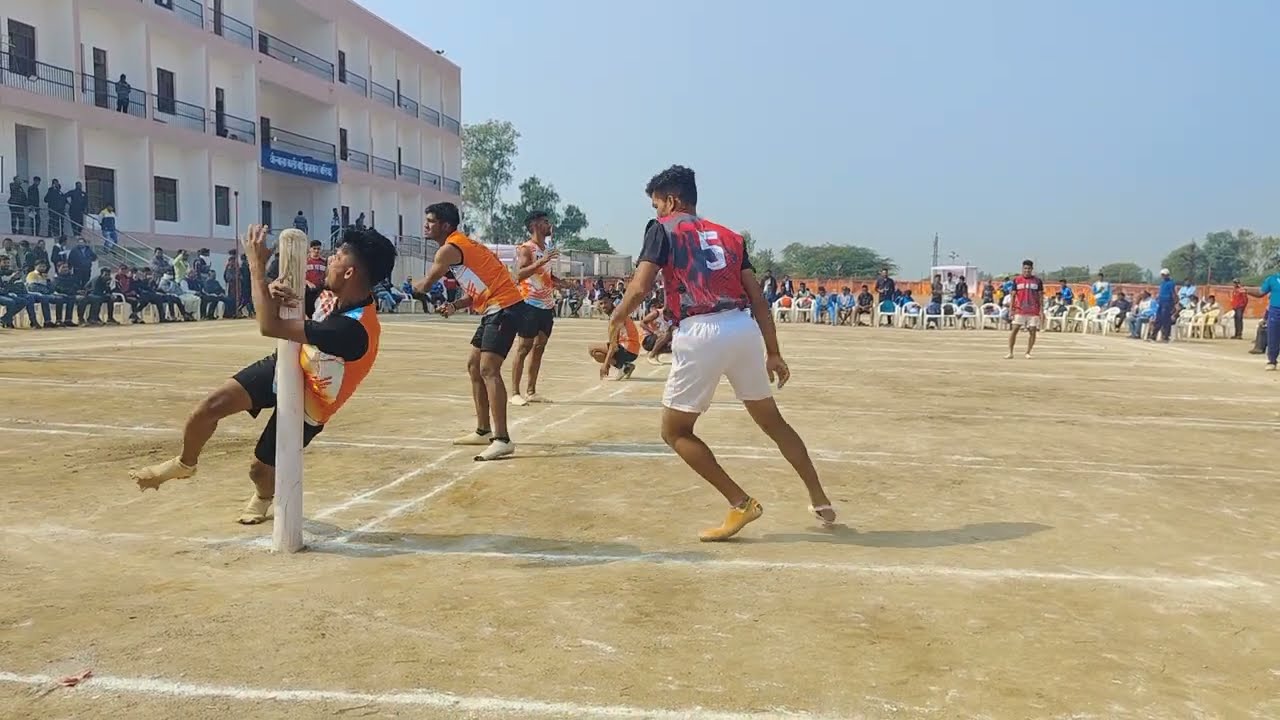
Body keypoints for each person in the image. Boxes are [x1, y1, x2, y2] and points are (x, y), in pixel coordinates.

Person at [609, 165, 835, 541]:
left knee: (675, 431)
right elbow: (758, 299)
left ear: (671, 201)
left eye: (656, 205)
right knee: (773, 423)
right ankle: (819, 497)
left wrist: (617, 319)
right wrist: (774, 352)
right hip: (742, 328)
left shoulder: (662, 229)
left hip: (700, 332)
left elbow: (640, 287)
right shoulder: (731, 237)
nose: (655, 213)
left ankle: (740, 503)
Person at [129, 225, 396, 524]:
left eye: (336, 257)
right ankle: (185, 463)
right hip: (291, 364)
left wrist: (255, 266)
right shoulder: (330, 295)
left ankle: (263, 497)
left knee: (259, 469)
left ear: (350, 272)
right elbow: (281, 306)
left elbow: (269, 326)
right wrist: (271, 288)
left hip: (313, 401)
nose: (328, 260)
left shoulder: (353, 329)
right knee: (209, 408)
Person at [413, 202, 529, 461]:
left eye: (430, 221)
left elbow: (426, 283)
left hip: (505, 308)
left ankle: (502, 439)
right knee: (474, 366)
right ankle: (484, 431)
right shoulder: (463, 246)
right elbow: (481, 288)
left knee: (489, 369)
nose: (426, 225)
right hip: (495, 307)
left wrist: (413, 286)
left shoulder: (449, 250)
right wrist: (455, 304)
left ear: (445, 225)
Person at [510, 210, 560, 405]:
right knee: (523, 348)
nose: (549, 225)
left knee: (539, 347)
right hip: (530, 303)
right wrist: (542, 260)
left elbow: (545, 275)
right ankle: (515, 392)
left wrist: (563, 283)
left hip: (547, 306)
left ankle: (531, 391)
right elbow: (519, 274)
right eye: (545, 222)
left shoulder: (546, 248)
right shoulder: (526, 248)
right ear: (535, 225)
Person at [590, 296, 639, 380]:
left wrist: (605, 365)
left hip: (627, 348)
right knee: (597, 354)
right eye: (601, 304)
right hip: (632, 350)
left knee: (592, 348)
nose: (603, 306)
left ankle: (621, 367)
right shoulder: (616, 313)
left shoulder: (615, 316)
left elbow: (613, 345)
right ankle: (626, 367)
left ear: (611, 302)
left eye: (606, 302)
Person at [1006, 259, 1043, 359]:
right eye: (1025, 268)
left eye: (1029, 269)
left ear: (1032, 269)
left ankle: (1028, 352)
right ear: (1022, 269)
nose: (1027, 270)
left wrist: (1041, 311)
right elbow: (1013, 296)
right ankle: (1010, 352)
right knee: (1015, 330)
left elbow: (1040, 297)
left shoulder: (1038, 281)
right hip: (1019, 309)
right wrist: (1011, 309)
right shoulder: (1017, 280)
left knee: (1032, 331)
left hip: (1033, 310)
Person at [1249, 271, 1280, 370]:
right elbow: (1260, 292)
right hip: (1275, 310)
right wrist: (1247, 291)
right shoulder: (1272, 279)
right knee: (1273, 336)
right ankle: (1272, 361)